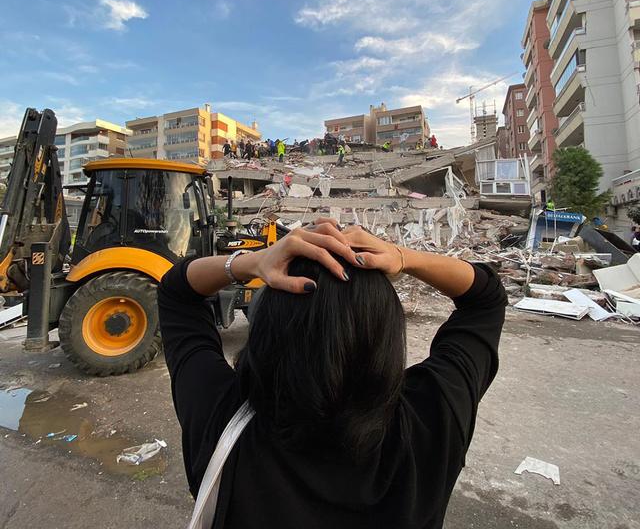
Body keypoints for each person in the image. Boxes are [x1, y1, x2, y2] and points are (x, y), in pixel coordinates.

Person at [158, 220, 507, 529]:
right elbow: (485, 298)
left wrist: (254, 262)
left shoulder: (221, 420)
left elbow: (177, 292)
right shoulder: (432, 418)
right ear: (385, 333)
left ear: (265, 331)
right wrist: (402, 257)